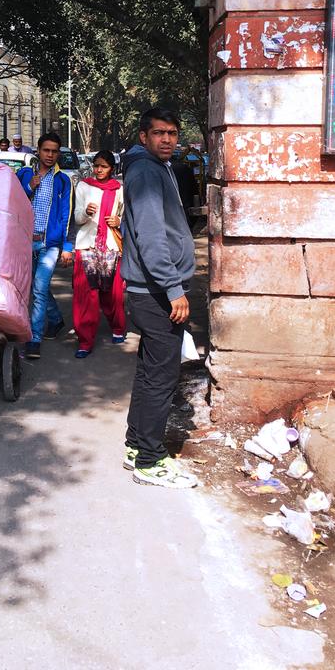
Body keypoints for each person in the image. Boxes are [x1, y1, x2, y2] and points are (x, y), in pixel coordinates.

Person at [121, 108, 198, 489]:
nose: (167, 139)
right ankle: (150, 461)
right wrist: (174, 290)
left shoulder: (156, 166)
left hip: (149, 290)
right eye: (159, 133)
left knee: (150, 371)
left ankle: (136, 446)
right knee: (162, 377)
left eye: (172, 133)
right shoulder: (147, 172)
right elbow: (152, 237)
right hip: (154, 292)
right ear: (143, 136)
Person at [16, 132, 74, 359]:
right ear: (37, 151)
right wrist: (29, 187)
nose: (50, 155)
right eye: (46, 150)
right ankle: (57, 319)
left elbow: (66, 215)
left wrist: (67, 247)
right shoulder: (23, 174)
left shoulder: (63, 180)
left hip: (50, 245)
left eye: (54, 151)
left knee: (39, 288)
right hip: (24, 243)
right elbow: (13, 203)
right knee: (35, 287)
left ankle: (34, 339)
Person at [72, 150, 126, 358]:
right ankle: (84, 341)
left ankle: (118, 327)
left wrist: (118, 221)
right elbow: (77, 218)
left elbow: (124, 215)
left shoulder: (119, 188)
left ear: (111, 168)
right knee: (86, 296)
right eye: (96, 165)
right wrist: (86, 213)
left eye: (103, 166)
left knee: (112, 294)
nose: (99, 170)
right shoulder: (84, 186)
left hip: (110, 246)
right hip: (87, 246)